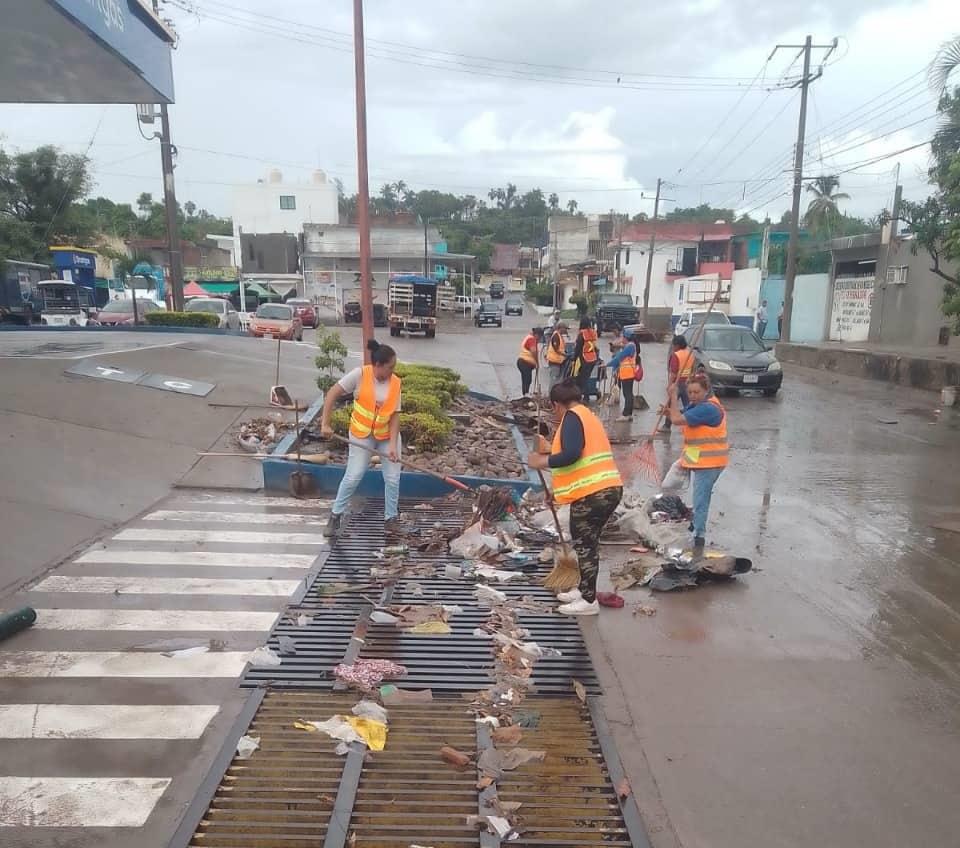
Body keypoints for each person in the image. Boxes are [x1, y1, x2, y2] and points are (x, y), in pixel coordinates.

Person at [527, 379, 623, 616]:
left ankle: (589, 601)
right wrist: (557, 494)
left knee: (586, 545)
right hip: (604, 490)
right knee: (586, 544)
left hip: (596, 493)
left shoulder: (571, 418)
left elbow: (571, 454)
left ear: (556, 404)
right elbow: (577, 464)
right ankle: (583, 591)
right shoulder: (586, 415)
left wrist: (542, 461)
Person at [320, 339, 402, 537]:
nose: (392, 371)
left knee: (392, 478)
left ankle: (391, 518)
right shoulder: (360, 375)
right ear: (378, 365)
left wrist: (392, 445)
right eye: (390, 367)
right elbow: (332, 394)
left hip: (386, 436)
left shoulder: (396, 383)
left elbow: (395, 415)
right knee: (354, 475)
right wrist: (325, 423)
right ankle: (335, 515)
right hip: (361, 434)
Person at [660, 374, 728, 550]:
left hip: (710, 462)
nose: (693, 395)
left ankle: (698, 536)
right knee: (698, 495)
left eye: (697, 392)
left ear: (706, 390)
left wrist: (673, 398)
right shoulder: (698, 405)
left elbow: (676, 420)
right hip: (699, 458)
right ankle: (695, 525)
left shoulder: (708, 408)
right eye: (689, 392)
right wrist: (671, 410)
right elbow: (683, 416)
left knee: (700, 499)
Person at [605, 327, 641, 420]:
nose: (622, 339)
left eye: (623, 337)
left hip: (627, 374)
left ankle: (625, 414)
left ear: (626, 337)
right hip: (628, 374)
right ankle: (629, 414)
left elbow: (619, 358)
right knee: (628, 393)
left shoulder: (629, 346)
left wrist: (607, 365)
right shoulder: (631, 345)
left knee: (627, 394)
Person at [663, 335, 696, 430]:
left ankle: (666, 426)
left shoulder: (676, 355)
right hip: (687, 383)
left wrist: (669, 385)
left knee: (671, 404)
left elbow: (673, 373)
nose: (673, 347)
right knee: (688, 405)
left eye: (674, 345)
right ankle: (691, 425)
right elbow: (693, 369)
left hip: (677, 383)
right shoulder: (690, 353)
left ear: (677, 345)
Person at [572, 317, 599, 402]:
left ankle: (585, 397)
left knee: (583, 378)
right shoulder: (593, 332)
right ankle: (582, 394)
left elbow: (578, 348)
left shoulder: (582, 334)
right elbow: (595, 346)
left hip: (585, 358)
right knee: (586, 377)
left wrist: (574, 358)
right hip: (593, 358)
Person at [517, 327, 543, 397]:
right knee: (527, 379)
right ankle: (526, 394)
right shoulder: (531, 339)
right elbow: (533, 351)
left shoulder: (529, 337)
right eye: (540, 337)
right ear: (537, 335)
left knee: (526, 379)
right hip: (524, 362)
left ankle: (525, 394)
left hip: (523, 362)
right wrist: (537, 363)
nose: (539, 339)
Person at [545, 321, 569, 389]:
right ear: (561, 328)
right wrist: (565, 355)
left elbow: (561, 348)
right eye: (565, 329)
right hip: (554, 361)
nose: (566, 331)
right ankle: (551, 395)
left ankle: (555, 394)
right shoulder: (556, 335)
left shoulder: (559, 335)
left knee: (558, 380)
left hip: (559, 361)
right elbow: (556, 349)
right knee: (554, 379)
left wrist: (565, 353)